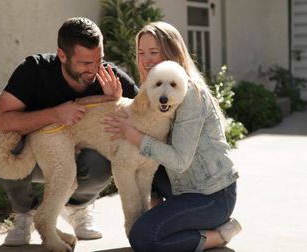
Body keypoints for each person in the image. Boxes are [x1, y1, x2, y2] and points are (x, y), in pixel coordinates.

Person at [0, 17, 137, 246]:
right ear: (62, 55)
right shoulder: (34, 70)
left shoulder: (109, 77)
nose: (94, 69)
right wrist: (55, 114)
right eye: (85, 63)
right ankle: (24, 214)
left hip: (80, 159)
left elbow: (146, 115)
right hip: (34, 158)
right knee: (6, 141)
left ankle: (76, 207)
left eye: (99, 60)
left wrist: (116, 102)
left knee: (103, 160)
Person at [102, 21, 241, 251]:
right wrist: (114, 100)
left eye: (153, 52)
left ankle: (218, 235)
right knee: (143, 157)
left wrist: (132, 134)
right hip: (181, 188)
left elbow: (179, 160)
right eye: (141, 53)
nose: (146, 59)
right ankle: (166, 216)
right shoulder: (156, 89)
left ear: (172, 53)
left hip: (212, 196)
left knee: (143, 238)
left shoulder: (191, 94)